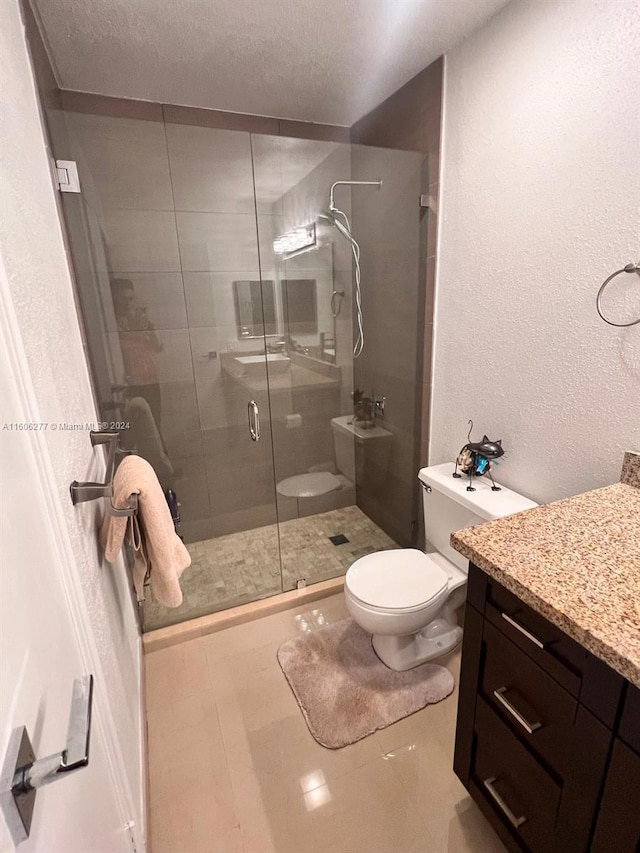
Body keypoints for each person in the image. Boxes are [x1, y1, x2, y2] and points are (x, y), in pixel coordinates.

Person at [110, 278, 163, 433]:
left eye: (131, 299)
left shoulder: (140, 321)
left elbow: (158, 347)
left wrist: (148, 328)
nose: (128, 303)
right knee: (140, 430)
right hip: (132, 384)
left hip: (152, 380)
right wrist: (133, 332)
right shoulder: (113, 324)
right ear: (114, 300)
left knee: (156, 426)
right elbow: (119, 351)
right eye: (123, 299)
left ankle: (160, 456)